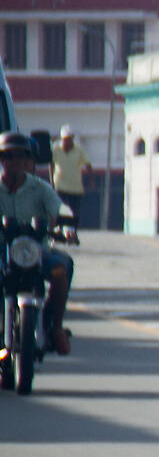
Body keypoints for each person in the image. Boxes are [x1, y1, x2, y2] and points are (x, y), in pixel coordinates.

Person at [0, 133, 78, 354]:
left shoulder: (40, 188)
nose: (13, 161)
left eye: (19, 156)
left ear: (27, 160)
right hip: (2, 252)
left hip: (36, 250)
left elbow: (59, 208)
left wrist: (67, 226)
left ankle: (55, 327)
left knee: (61, 268)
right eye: (7, 156)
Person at [52, 127, 87, 230]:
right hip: (60, 185)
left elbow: (87, 164)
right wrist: (51, 180)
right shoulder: (56, 149)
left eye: (70, 138)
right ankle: (59, 229)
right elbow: (51, 164)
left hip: (75, 187)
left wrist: (91, 181)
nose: (67, 141)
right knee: (59, 208)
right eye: (65, 138)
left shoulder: (79, 150)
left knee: (74, 210)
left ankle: (72, 230)